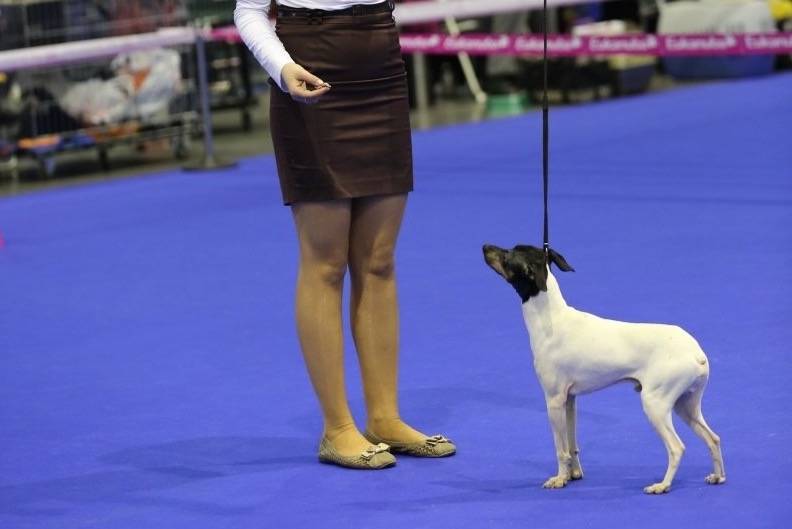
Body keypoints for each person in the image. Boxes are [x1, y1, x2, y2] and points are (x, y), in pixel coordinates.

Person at [234, 0, 455, 469]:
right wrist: (282, 67)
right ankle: (336, 429)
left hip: (381, 71)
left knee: (379, 261)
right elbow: (248, 10)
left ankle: (385, 418)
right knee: (326, 264)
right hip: (308, 73)